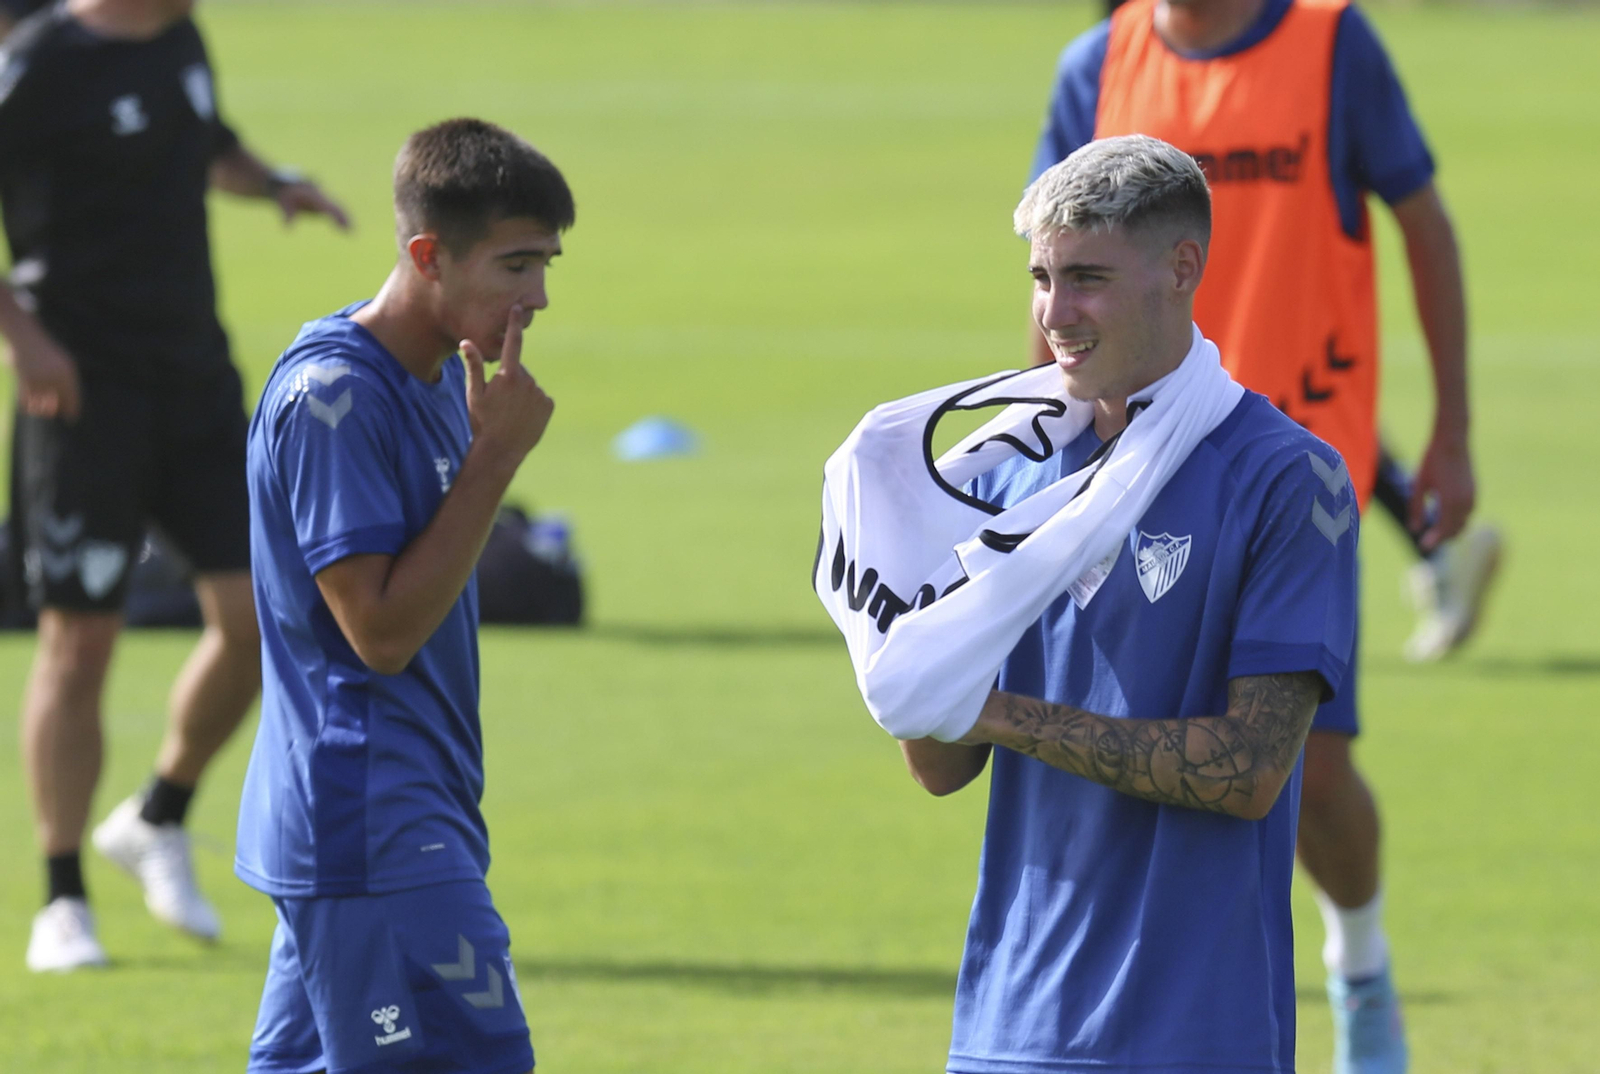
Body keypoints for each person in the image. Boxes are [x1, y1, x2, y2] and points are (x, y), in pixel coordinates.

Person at [1027, 0, 1500, 1067]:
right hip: (1139, 480)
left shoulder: (1332, 45)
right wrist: (1053, 449)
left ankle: (1362, 971)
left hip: (1295, 480)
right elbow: (1052, 267)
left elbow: (1423, 223)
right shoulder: (1097, 65)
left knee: (1307, 772)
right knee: (1147, 760)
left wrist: (1452, 431)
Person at [901, 134, 1357, 1074]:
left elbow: (1246, 770)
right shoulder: (1002, 474)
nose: (1054, 314)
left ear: (1181, 268)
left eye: (1088, 279)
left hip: (1195, 1035)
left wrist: (996, 712)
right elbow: (940, 765)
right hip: (1007, 1033)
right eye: (1042, 277)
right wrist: (897, 635)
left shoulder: (1284, 480)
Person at [0, 0, 349, 972]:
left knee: (263, 621)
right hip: (80, 397)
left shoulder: (182, 37)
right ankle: (61, 898)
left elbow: (205, 146)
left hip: (196, 382)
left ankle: (157, 814)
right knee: (81, 643)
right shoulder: (38, 64)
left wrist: (273, 182)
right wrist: (25, 339)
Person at [238, 117, 567, 1074]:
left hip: (387, 821)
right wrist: (494, 461)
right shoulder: (335, 399)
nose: (537, 297)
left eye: (546, 264)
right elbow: (377, 632)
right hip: (374, 823)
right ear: (427, 254)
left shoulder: (433, 380)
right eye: (514, 266)